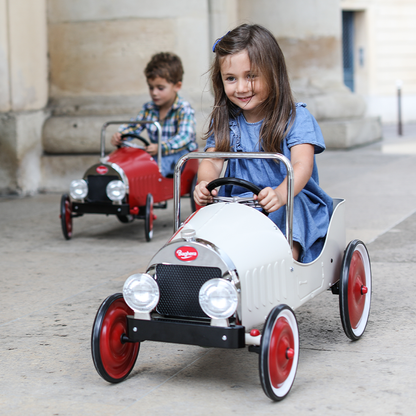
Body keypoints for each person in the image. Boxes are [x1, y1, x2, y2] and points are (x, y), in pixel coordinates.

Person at [193, 24, 333, 263]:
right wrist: (205, 182)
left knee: (292, 207)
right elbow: (212, 161)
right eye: (231, 78)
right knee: (211, 213)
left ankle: (288, 264)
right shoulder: (227, 120)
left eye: (251, 76)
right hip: (241, 201)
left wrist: (280, 194)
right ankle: (209, 262)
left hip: (288, 196)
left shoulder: (296, 118)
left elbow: (302, 165)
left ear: (273, 73)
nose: (241, 87)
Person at [111, 52, 197, 177]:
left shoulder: (183, 109)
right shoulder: (149, 108)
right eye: (151, 88)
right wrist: (121, 135)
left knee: (150, 167)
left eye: (160, 88)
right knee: (132, 161)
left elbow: (185, 137)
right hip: (157, 153)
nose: (154, 93)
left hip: (179, 155)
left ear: (177, 86)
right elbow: (135, 126)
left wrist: (161, 147)